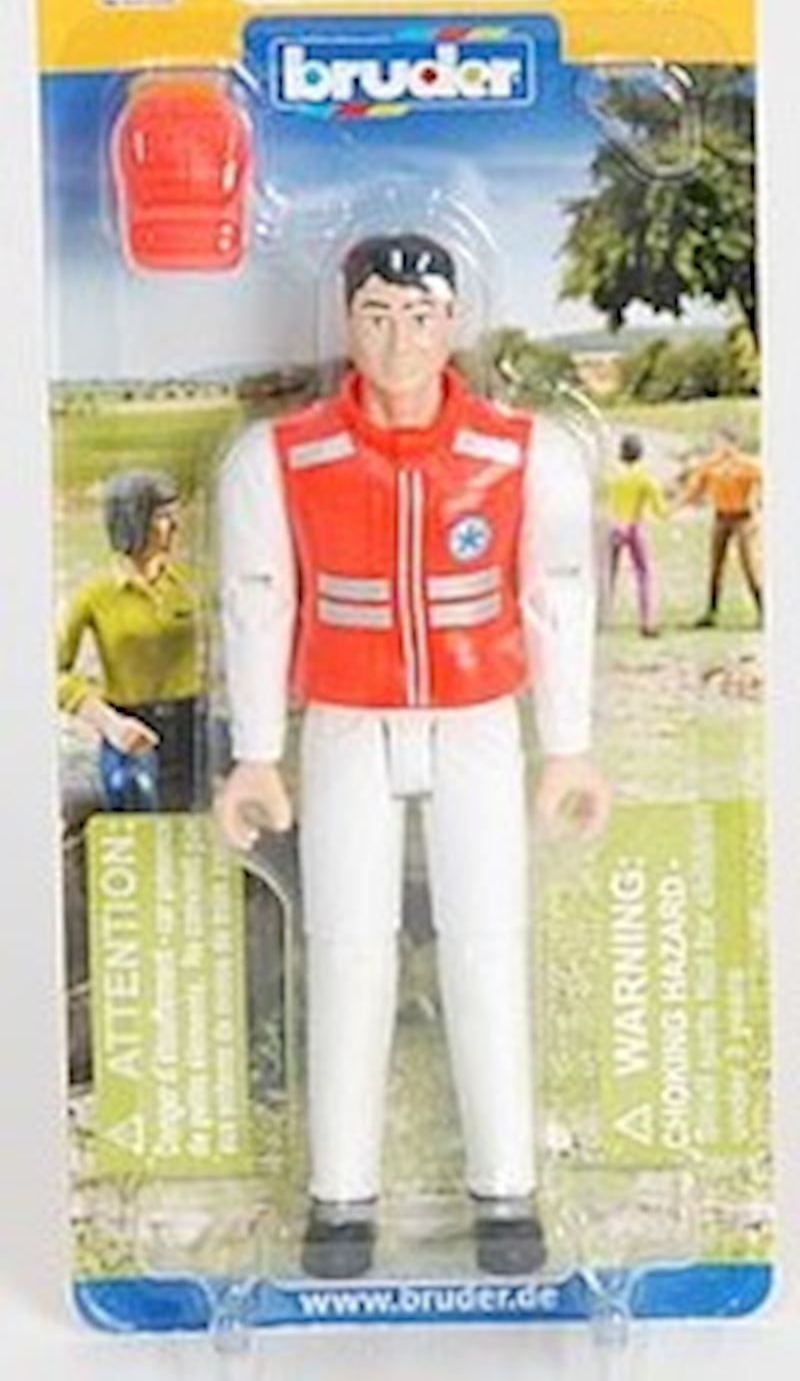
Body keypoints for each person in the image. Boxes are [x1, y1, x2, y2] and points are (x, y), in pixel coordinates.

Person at [216, 233, 609, 1280]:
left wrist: (567, 745)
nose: (399, 341)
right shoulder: (281, 458)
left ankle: (507, 1194)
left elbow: (556, 598)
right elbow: (258, 603)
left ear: (453, 321)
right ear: (348, 321)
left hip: (477, 721)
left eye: (420, 316)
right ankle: (339, 1200)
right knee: (348, 949)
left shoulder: (521, 453)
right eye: (378, 316)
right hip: (345, 722)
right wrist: (256, 753)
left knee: (486, 944)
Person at [57, 470, 207, 811]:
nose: (174, 526)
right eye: (161, 516)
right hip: (130, 726)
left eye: (174, 514)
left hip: (191, 723)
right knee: (133, 797)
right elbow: (53, 671)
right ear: (132, 521)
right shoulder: (95, 595)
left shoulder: (191, 585)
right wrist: (108, 722)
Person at [674, 427, 763, 628]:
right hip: (721, 517)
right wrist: (675, 507)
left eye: (725, 443)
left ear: (734, 444)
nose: (721, 447)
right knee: (716, 564)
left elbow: (761, 483)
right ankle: (711, 611)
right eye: (718, 443)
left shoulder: (746, 465)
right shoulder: (710, 465)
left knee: (749, 565)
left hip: (742, 517)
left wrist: (757, 508)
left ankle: (763, 610)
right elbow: (694, 490)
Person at [605, 432, 668, 637]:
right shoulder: (645, 477)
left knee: (608, 574)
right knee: (644, 573)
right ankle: (647, 621)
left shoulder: (612, 476)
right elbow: (661, 510)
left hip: (615, 524)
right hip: (635, 525)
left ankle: (602, 616)